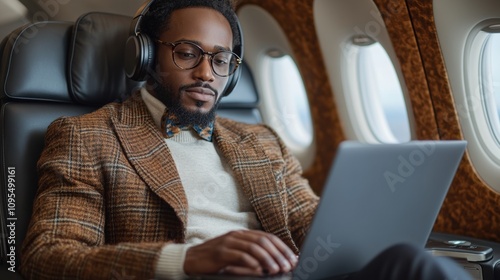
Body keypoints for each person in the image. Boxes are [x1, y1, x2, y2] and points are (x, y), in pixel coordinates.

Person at [19, 0, 472, 280]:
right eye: (187, 53)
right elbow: (50, 258)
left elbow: (309, 221)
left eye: (221, 61)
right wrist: (188, 261)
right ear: (144, 54)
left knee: (421, 267)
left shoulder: (261, 140)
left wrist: (367, 228)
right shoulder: (87, 136)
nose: (205, 74)